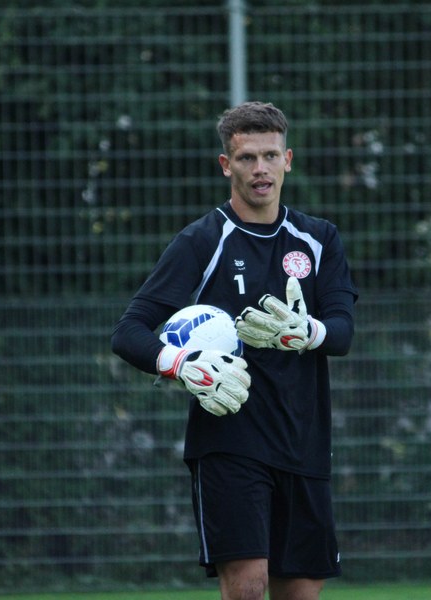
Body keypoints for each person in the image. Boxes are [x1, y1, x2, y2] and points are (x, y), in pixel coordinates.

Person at [111, 101, 357, 600]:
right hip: (229, 442)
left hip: (303, 441)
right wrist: (182, 364)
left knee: (300, 594)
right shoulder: (201, 241)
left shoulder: (318, 239)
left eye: (270, 156)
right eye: (247, 158)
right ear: (227, 165)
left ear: (288, 160)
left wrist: (306, 331)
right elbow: (129, 331)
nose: (260, 169)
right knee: (248, 586)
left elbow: (342, 332)